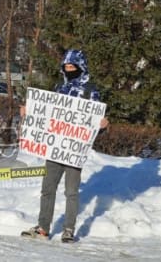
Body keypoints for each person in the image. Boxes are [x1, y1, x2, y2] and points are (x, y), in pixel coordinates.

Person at [21, 49, 109, 243]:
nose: (69, 70)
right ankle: (43, 227)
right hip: (55, 148)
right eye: (66, 67)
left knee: (71, 192)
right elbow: (48, 115)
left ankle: (69, 229)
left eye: (73, 67)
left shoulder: (90, 91)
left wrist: (102, 126)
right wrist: (31, 112)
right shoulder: (58, 88)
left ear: (81, 67)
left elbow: (92, 124)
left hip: (74, 150)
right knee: (47, 188)